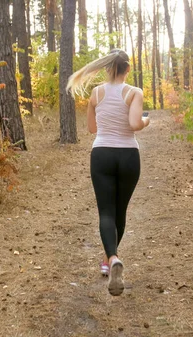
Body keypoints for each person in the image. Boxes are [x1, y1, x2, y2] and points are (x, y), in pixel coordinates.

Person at [66, 49, 150, 296]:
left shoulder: (96, 93)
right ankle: (111, 258)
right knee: (119, 211)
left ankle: (111, 259)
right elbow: (135, 124)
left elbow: (92, 129)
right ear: (127, 69)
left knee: (106, 211)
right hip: (128, 156)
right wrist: (147, 121)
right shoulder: (134, 93)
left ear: (107, 69)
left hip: (101, 155)